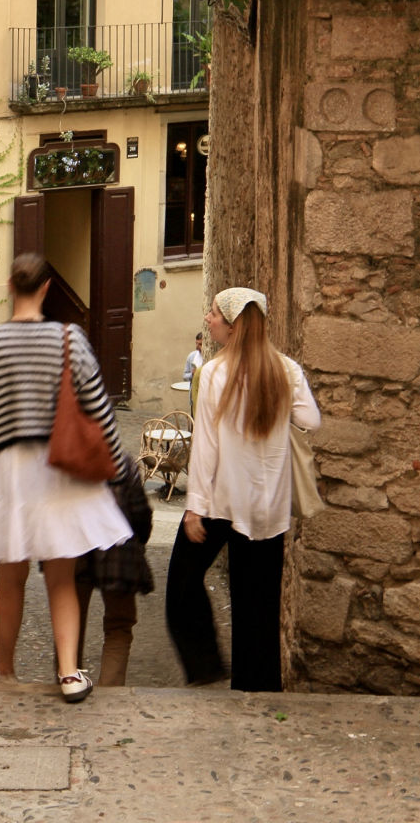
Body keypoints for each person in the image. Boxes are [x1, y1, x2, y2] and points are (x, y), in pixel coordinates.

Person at [0, 253, 132, 703]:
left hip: (9, 468)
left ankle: (4, 673)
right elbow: (97, 406)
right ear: (47, 288)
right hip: (58, 466)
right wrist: (117, 465)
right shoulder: (70, 337)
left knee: (11, 577)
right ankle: (68, 673)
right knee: (61, 577)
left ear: (11, 285)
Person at [165, 287, 321, 692]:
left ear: (233, 325)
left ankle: (206, 665)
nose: (208, 319)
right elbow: (311, 420)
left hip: (222, 501)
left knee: (181, 584)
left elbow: (206, 449)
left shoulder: (215, 373)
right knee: (261, 605)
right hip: (268, 506)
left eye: (214, 313)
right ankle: (260, 689)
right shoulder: (285, 370)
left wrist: (194, 508)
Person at [73, 455, 154, 686]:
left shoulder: (67, 461)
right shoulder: (122, 462)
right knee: (119, 625)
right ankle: (110, 691)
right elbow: (140, 511)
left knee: (70, 621)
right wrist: (139, 541)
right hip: (118, 551)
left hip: (75, 546)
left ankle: (67, 682)